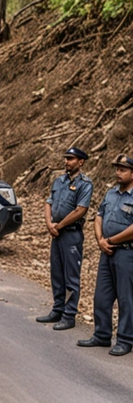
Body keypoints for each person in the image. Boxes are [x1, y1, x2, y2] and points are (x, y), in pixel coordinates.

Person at [78, 154, 133, 356]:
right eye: (117, 169)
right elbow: (99, 216)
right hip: (107, 252)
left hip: (127, 253)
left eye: (123, 170)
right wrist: (101, 239)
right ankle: (101, 335)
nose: (118, 173)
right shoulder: (111, 194)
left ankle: (126, 339)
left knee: (126, 298)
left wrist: (111, 241)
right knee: (102, 296)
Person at [36, 147, 93, 330]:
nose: (67, 162)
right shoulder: (59, 181)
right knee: (57, 273)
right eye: (66, 158)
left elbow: (80, 210)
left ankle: (69, 315)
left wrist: (58, 226)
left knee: (71, 276)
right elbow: (48, 202)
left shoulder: (85, 184)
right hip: (56, 233)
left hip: (71, 234)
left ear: (81, 162)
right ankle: (57, 309)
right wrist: (49, 224)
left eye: (71, 159)